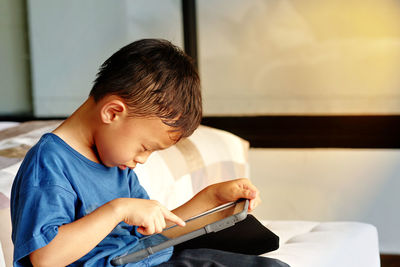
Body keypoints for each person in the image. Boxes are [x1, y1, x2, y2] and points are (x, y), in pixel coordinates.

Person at [11, 39, 287, 267]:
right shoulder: (49, 163)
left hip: (149, 258)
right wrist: (119, 209)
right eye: (145, 147)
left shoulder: (116, 162)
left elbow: (154, 233)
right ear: (113, 112)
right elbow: (45, 258)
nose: (142, 159)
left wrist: (212, 199)